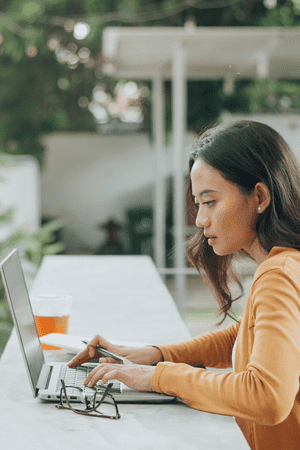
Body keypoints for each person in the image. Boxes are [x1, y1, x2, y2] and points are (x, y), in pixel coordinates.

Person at [69, 120, 300, 450]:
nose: (200, 219)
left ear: (259, 196)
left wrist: (159, 377)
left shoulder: (278, 273)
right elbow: (249, 334)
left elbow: (267, 397)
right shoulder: (286, 263)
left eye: (210, 202)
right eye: (198, 204)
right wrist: (157, 355)